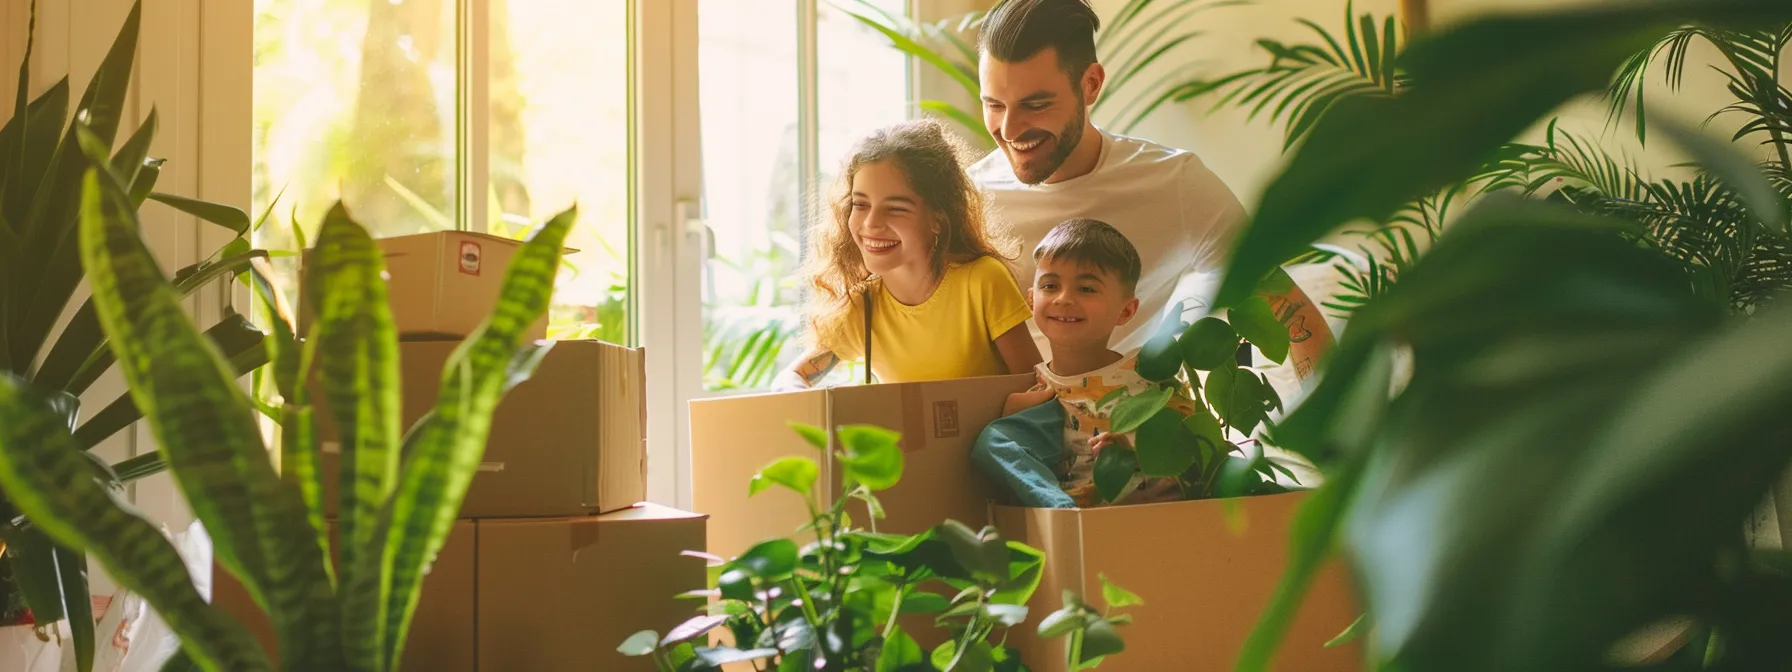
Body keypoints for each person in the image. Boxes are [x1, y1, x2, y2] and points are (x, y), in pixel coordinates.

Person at [969, 0, 1333, 381]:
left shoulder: (1174, 183)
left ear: (1090, 84)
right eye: (993, 104)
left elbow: (1291, 310)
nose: (1009, 130)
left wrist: (1333, 436)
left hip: (1124, 424)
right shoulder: (970, 197)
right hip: (1003, 429)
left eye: (1036, 104)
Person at [773, 119, 1043, 389]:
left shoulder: (983, 280)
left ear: (937, 218)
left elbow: (1035, 389)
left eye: (896, 208)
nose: (871, 224)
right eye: (860, 204)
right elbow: (795, 376)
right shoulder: (863, 306)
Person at [984, 219, 1193, 507]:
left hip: (1140, 521)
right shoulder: (1035, 388)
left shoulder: (1148, 379)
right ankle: (1064, 513)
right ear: (1031, 300)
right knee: (992, 440)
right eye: (1050, 285)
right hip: (1063, 523)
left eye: (1086, 289)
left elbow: (1190, 458)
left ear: (1126, 310)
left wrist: (1132, 450)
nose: (1064, 298)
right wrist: (1011, 418)